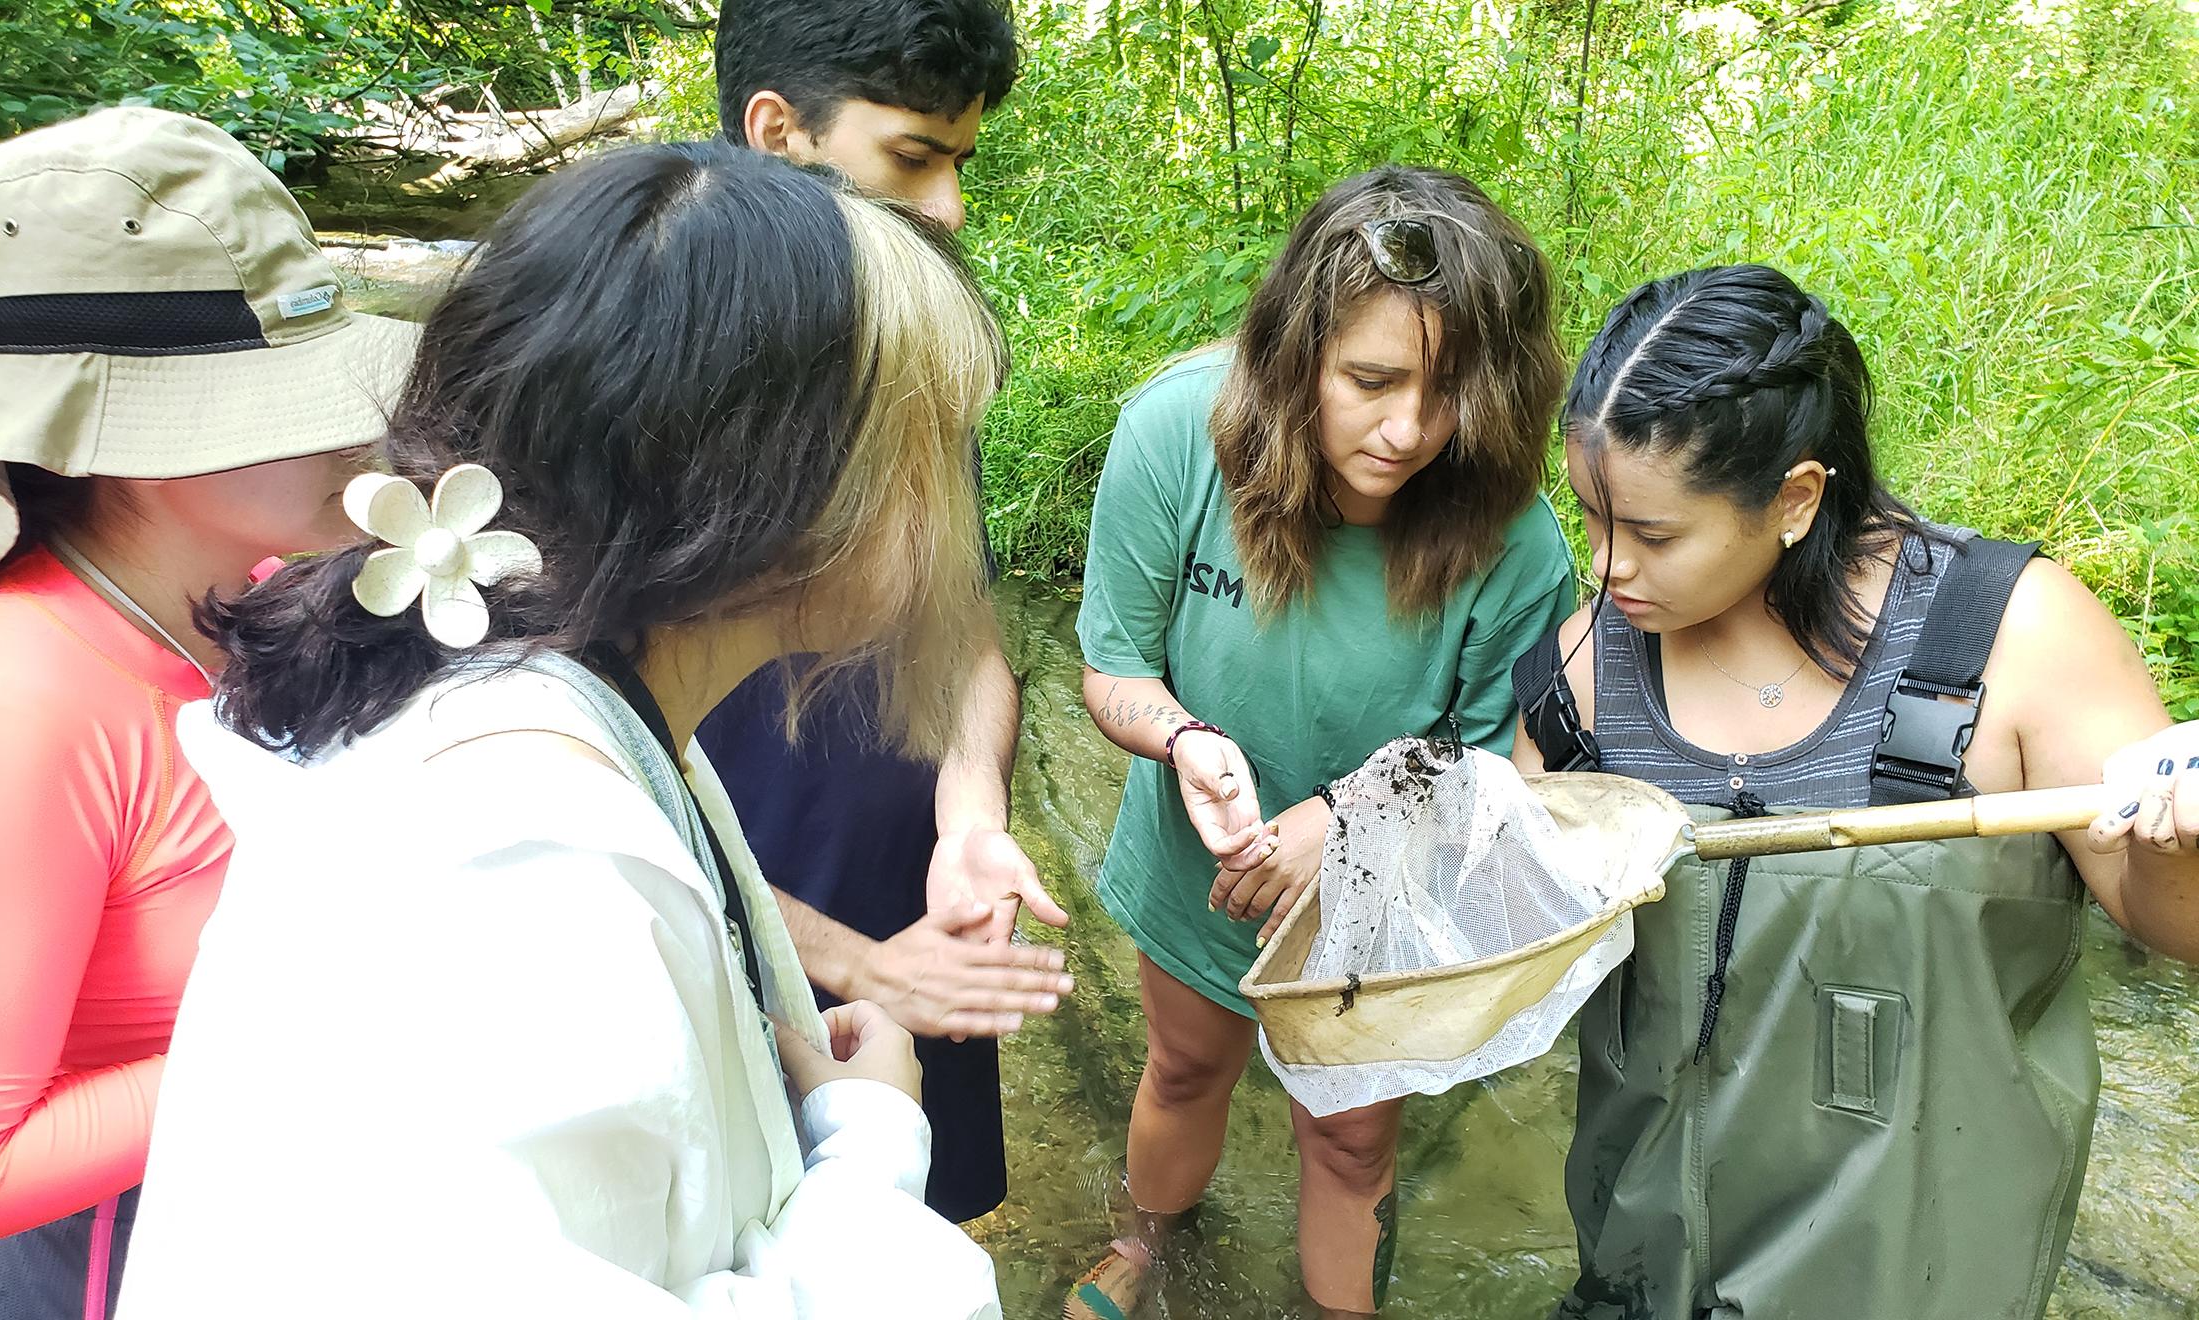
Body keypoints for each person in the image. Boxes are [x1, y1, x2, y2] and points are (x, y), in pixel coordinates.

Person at [115, 142, 1013, 1317]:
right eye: (931, 443)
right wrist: (870, 1142)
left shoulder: (561, 708)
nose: (955, 498)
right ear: (770, 499)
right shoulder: (523, 875)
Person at [1510, 263, 2199, 1320]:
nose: (1607, 572)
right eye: (1592, 520)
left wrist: (2171, 845)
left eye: (1651, 535)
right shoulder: (1582, 681)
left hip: (1915, 1275)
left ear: (1793, 498)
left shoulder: (2009, 640)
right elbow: (1520, 955)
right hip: (1642, 1262)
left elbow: (2173, 927)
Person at [1070, 165, 1576, 1318]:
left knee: (1348, 1148)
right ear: (1295, 349)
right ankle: (1141, 1242)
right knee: (1186, 1065)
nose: (1407, 431)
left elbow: (1500, 763)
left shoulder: (1514, 537)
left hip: (1382, 899)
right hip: (1205, 866)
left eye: (1449, 395)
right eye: (1370, 380)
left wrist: (1350, 815)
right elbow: (1113, 669)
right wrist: (1185, 740)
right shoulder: (1174, 434)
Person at [0, 106, 417, 1318]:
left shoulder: (259, 597)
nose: (363, 428)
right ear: (137, 440)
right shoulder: (39, 701)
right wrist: (319, 1039)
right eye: (296, 393)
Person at [703, 0, 1066, 1224]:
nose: (949, 208)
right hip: (738, 942)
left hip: (921, 904)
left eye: (958, 161)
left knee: (908, 1225)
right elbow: (606, 773)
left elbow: (960, 624)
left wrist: (967, 814)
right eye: (913, 156)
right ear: (777, 132)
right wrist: (862, 967)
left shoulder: (916, 347)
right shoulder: (648, 387)